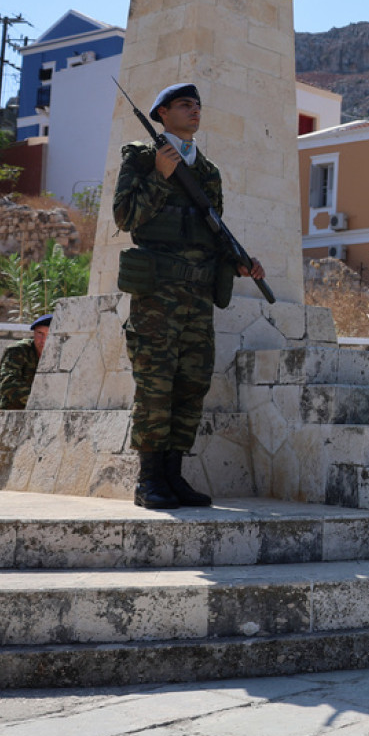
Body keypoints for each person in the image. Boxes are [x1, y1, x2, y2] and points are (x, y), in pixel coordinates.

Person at [113, 82, 265, 510]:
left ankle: (174, 477)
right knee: (156, 385)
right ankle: (149, 481)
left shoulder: (208, 170)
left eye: (198, 105)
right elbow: (125, 217)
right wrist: (161, 179)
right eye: (184, 105)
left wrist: (238, 260)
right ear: (161, 113)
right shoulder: (142, 157)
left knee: (191, 385)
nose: (195, 110)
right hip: (158, 292)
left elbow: (213, 228)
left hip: (197, 294)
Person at [0, 314, 51, 429]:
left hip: (39, 408)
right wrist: (40, 400)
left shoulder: (60, 355)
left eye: (49, 335)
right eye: (40, 334)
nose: (43, 340)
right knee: (12, 400)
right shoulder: (18, 351)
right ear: (34, 334)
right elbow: (7, 384)